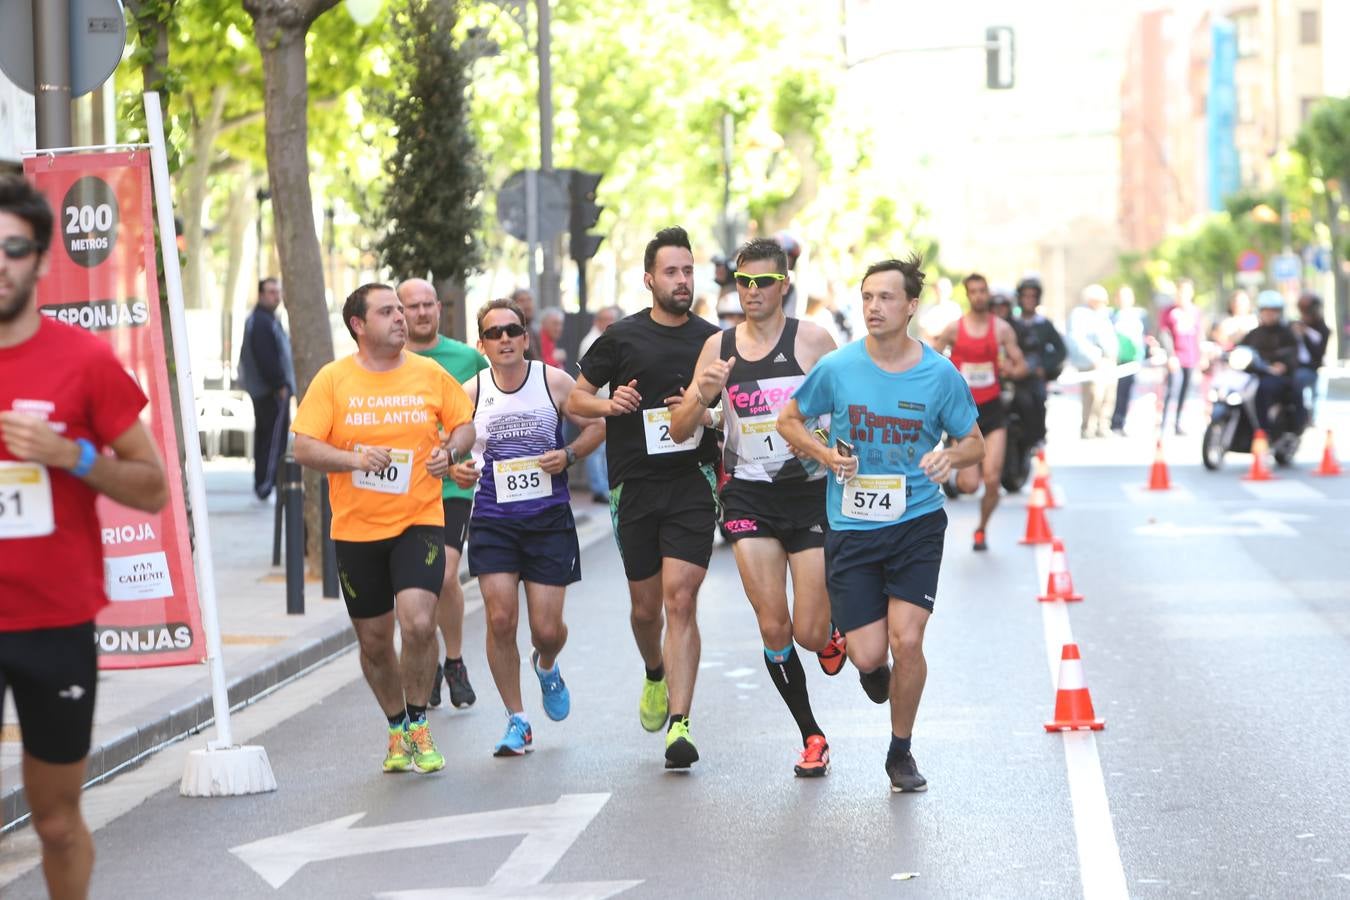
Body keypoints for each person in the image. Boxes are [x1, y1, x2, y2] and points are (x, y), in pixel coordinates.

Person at [0, 174, 169, 899]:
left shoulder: (84, 362)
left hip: (53, 621)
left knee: (58, 821)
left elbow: (155, 486)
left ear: (39, 260)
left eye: (12, 248)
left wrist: (73, 455)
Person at [778, 255, 984, 794]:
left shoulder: (940, 374)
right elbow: (788, 420)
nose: (874, 306)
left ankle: (900, 753)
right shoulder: (839, 367)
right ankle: (872, 670)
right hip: (851, 525)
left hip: (916, 521)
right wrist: (823, 455)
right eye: (867, 297)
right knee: (871, 655)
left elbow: (974, 443)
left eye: (886, 297)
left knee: (907, 639)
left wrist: (951, 459)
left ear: (911, 306)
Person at [670, 237, 845, 777]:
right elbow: (679, 431)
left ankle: (831, 634)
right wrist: (702, 394)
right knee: (774, 625)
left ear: (783, 285)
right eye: (743, 282)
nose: (751, 292)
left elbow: (848, 406)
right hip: (748, 494)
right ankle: (812, 735)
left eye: (762, 283)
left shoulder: (813, 340)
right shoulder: (717, 348)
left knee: (809, 633)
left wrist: (838, 446)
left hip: (810, 493)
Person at [292, 283, 475, 775]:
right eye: (387, 311)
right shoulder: (333, 381)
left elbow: (464, 425)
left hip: (419, 519)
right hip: (355, 530)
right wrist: (352, 458)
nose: (400, 318)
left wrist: (450, 451)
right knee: (375, 641)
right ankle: (396, 727)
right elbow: (303, 446)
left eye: (401, 309)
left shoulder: (428, 373)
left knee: (417, 622)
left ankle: (418, 720)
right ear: (358, 325)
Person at [567, 226, 721, 769]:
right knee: (645, 608)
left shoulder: (713, 340)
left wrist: (704, 411)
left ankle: (680, 723)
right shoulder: (621, 338)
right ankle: (654, 669)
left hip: (692, 482)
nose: (682, 281)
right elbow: (575, 401)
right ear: (649, 279)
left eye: (688, 271)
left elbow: (736, 414)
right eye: (672, 272)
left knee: (681, 598)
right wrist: (611, 406)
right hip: (634, 484)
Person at [449, 298, 604, 756]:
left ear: (525, 337)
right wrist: (454, 469)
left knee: (547, 628)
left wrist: (570, 455)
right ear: (482, 344)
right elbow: (446, 450)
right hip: (493, 520)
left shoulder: (552, 381)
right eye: (493, 333)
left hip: (548, 521)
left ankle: (547, 663)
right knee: (499, 618)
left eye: (512, 331)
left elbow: (597, 426)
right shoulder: (469, 392)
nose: (504, 340)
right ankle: (517, 719)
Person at [399, 278, 487, 711]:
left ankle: (453, 661)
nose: (420, 313)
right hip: (404, 488)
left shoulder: (466, 358)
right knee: (420, 586)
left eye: (427, 305)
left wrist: (473, 461)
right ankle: (430, 662)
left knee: (446, 574)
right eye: (411, 306)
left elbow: (485, 414)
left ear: (439, 308)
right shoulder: (389, 362)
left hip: (453, 483)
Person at [931, 273, 1026, 551]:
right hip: (963, 415)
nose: (979, 296)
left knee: (993, 479)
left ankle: (982, 529)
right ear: (967, 295)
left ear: (988, 293)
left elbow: (1020, 365)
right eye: (973, 292)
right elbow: (931, 362)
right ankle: (952, 454)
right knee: (970, 485)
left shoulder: (1001, 330)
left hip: (993, 411)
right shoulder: (953, 330)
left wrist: (1011, 369)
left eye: (983, 291)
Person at [238, 276, 296, 500]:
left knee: (268, 438)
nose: (276, 296)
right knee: (273, 440)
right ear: (261, 294)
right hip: (269, 391)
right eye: (271, 291)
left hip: (266, 390)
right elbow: (266, 358)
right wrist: (279, 384)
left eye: (277, 291)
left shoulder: (267, 319)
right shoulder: (261, 321)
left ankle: (265, 482)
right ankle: (267, 484)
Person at [1011, 276, 1067, 448]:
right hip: (1013, 376)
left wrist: (1044, 367)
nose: (1029, 300)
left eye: (1032, 296)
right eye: (1025, 296)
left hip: (1034, 377)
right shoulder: (1011, 323)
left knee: (1036, 400)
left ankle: (1037, 438)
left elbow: (1061, 350)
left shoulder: (1044, 325)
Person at [1238, 291, 1303, 432]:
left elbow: (1293, 353)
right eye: (1265, 311)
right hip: (1254, 374)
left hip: (1277, 377)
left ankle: (1264, 430)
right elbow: (1241, 349)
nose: (1269, 314)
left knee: (1263, 389)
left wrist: (1283, 365)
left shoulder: (1287, 332)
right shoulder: (1254, 333)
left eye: (1273, 311)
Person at [578, 305, 622, 503]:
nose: (609, 323)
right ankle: (598, 487)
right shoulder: (593, 341)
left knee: (602, 447)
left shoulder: (603, 338)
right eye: (605, 319)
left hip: (604, 400)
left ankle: (602, 486)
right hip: (597, 400)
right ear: (597, 320)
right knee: (596, 447)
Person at [1067, 284, 1120, 440]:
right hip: (1093, 362)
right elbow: (1076, 339)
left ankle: (1103, 425)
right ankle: (1088, 426)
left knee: (1108, 396)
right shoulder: (1080, 314)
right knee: (1094, 395)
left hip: (1109, 360)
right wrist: (1094, 358)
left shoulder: (1104, 314)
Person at [1158, 278, 1204, 435]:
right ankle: (1164, 422)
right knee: (1173, 389)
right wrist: (1171, 355)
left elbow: (1200, 335)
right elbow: (1164, 333)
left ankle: (1178, 422)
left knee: (1185, 390)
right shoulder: (1169, 312)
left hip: (1190, 357)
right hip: (1176, 356)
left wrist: (1202, 356)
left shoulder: (1196, 311)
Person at [1110, 285, 1148, 435]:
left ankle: (1120, 421)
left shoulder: (1138, 316)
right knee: (1114, 393)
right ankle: (1111, 421)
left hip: (1132, 360)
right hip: (1116, 359)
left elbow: (1142, 338)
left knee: (1126, 392)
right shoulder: (1112, 315)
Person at [1293, 293, 1330, 425]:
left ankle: (1312, 418)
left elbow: (1317, 353)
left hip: (1313, 368)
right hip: (1298, 367)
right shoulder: (1296, 325)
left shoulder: (1322, 330)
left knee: (1316, 393)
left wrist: (1305, 335)